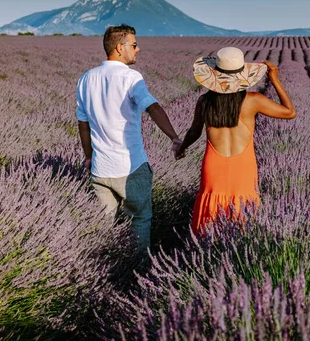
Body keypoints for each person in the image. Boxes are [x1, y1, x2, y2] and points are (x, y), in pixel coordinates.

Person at [76, 24, 181, 253]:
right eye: (133, 45)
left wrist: (88, 157)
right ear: (119, 47)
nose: (138, 49)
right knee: (141, 220)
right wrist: (174, 137)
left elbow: (83, 125)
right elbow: (152, 107)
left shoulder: (86, 79)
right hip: (131, 167)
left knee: (103, 229)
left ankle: (106, 274)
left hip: (101, 169)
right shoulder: (130, 77)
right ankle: (139, 271)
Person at [175, 47, 296, 236]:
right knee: (243, 212)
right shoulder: (253, 101)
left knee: (211, 214)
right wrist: (274, 79)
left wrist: (181, 147)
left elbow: (193, 132)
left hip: (213, 165)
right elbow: (290, 112)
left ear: (214, 75)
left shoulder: (205, 102)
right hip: (244, 166)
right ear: (242, 76)